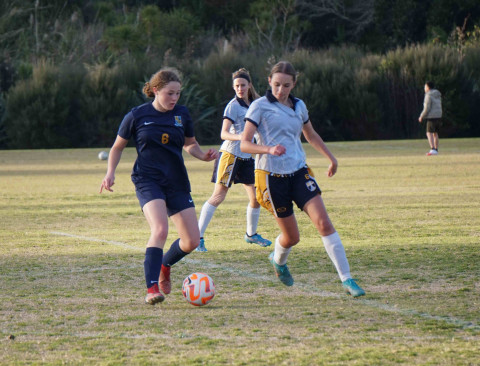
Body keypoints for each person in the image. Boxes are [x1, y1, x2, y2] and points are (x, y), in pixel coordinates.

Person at [240, 61, 365, 297]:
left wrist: (331, 157)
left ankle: (347, 279)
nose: (280, 90)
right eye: (276, 84)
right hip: (271, 178)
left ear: (294, 84)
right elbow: (245, 144)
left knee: (324, 223)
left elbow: (310, 134)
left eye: (286, 85)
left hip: (299, 172)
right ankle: (278, 261)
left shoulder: (299, 106)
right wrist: (268, 149)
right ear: (269, 81)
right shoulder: (259, 106)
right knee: (292, 238)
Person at [100, 68, 218, 305]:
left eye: (177, 94)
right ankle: (152, 288)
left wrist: (202, 155)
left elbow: (190, 144)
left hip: (176, 181)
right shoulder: (137, 115)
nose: (174, 98)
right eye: (169, 93)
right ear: (155, 90)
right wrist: (110, 172)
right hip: (148, 180)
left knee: (192, 241)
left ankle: (165, 264)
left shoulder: (182, 115)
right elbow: (117, 147)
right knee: (160, 230)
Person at [196, 68, 271, 252]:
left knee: (256, 198)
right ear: (233, 87)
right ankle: (197, 238)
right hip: (230, 155)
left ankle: (251, 235)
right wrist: (242, 137)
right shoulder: (232, 106)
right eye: (236, 85)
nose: (240, 88)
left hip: (246, 157)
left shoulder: (256, 103)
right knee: (218, 196)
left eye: (243, 85)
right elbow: (223, 133)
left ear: (249, 85)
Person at [418, 81, 442, 156]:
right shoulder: (437, 94)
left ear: (428, 87)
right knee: (435, 133)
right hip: (438, 115)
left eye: (425, 87)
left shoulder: (428, 95)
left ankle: (432, 149)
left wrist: (421, 116)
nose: (424, 88)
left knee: (429, 133)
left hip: (431, 116)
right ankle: (436, 149)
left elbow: (427, 108)